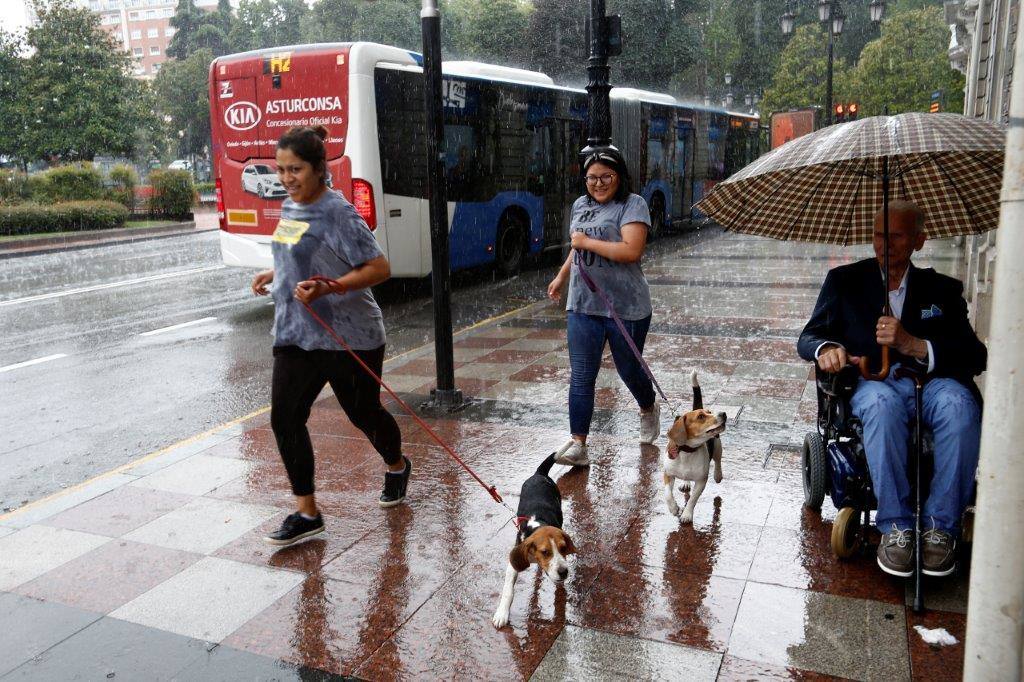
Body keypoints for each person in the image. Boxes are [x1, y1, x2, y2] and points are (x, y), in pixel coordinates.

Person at [797, 200, 987, 578]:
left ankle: (940, 529)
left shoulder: (943, 290)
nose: (885, 244)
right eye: (879, 235)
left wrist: (916, 345)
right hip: (873, 383)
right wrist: (827, 350)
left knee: (960, 407)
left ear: (919, 239)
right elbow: (810, 336)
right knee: (882, 407)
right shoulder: (845, 282)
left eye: (896, 236)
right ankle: (896, 526)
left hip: (932, 384)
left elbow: (975, 355)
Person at [251, 125, 410, 547]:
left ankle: (396, 466)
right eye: (281, 170)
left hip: (347, 335)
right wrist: (276, 272)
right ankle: (307, 513)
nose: (287, 179)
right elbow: (295, 252)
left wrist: (330, 286)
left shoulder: (337, 212)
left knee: (363, 415)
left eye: (296, 169)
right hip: (296, 333)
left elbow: (379, 268)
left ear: (319, 168)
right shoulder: (290, 206)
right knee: (284, 419)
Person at [546, 148, 659, 467]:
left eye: (606, 176)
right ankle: (578, 443)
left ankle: (648, 406)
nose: (598, 183)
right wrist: (561, 276)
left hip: (627, 305)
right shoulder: (580, 205)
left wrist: (586, 243)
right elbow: (576, 248)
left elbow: (631, 250)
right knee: (582, 374)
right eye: (592, 178)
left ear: (619, 176)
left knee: (628, 370)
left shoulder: (633, 204)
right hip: (583, 303)